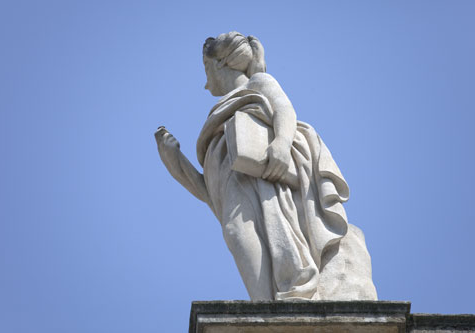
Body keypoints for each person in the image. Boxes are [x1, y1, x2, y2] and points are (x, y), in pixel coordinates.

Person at [155, 32, 377, 300]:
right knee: (236, 233)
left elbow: (284, 109)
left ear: (220, 63)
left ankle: (273, 310)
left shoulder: (258, 83)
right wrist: (174, 162)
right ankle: (265, 311)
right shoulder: (219, 123)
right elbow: (211, 193)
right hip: (237, 196)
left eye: (205, 67)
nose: (205, 81)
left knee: (244, 235)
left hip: (266, 185)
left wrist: (282, 144)